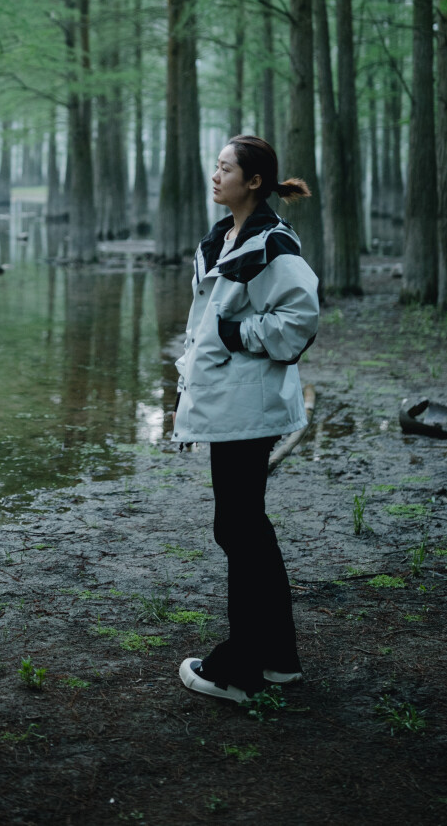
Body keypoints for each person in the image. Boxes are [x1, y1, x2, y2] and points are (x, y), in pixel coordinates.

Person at [174, 134, 319, 704]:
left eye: (225, 168)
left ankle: (239, 669)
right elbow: (204, 321)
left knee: (239, 528)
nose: (216, 176)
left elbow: (299, 318)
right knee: (244, 527)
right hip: (226, 403)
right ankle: (278, 659)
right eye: (215, 166)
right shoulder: (222, 239)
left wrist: (240, 333)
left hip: (250, 406)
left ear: (253, 181)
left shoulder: (273, 242)